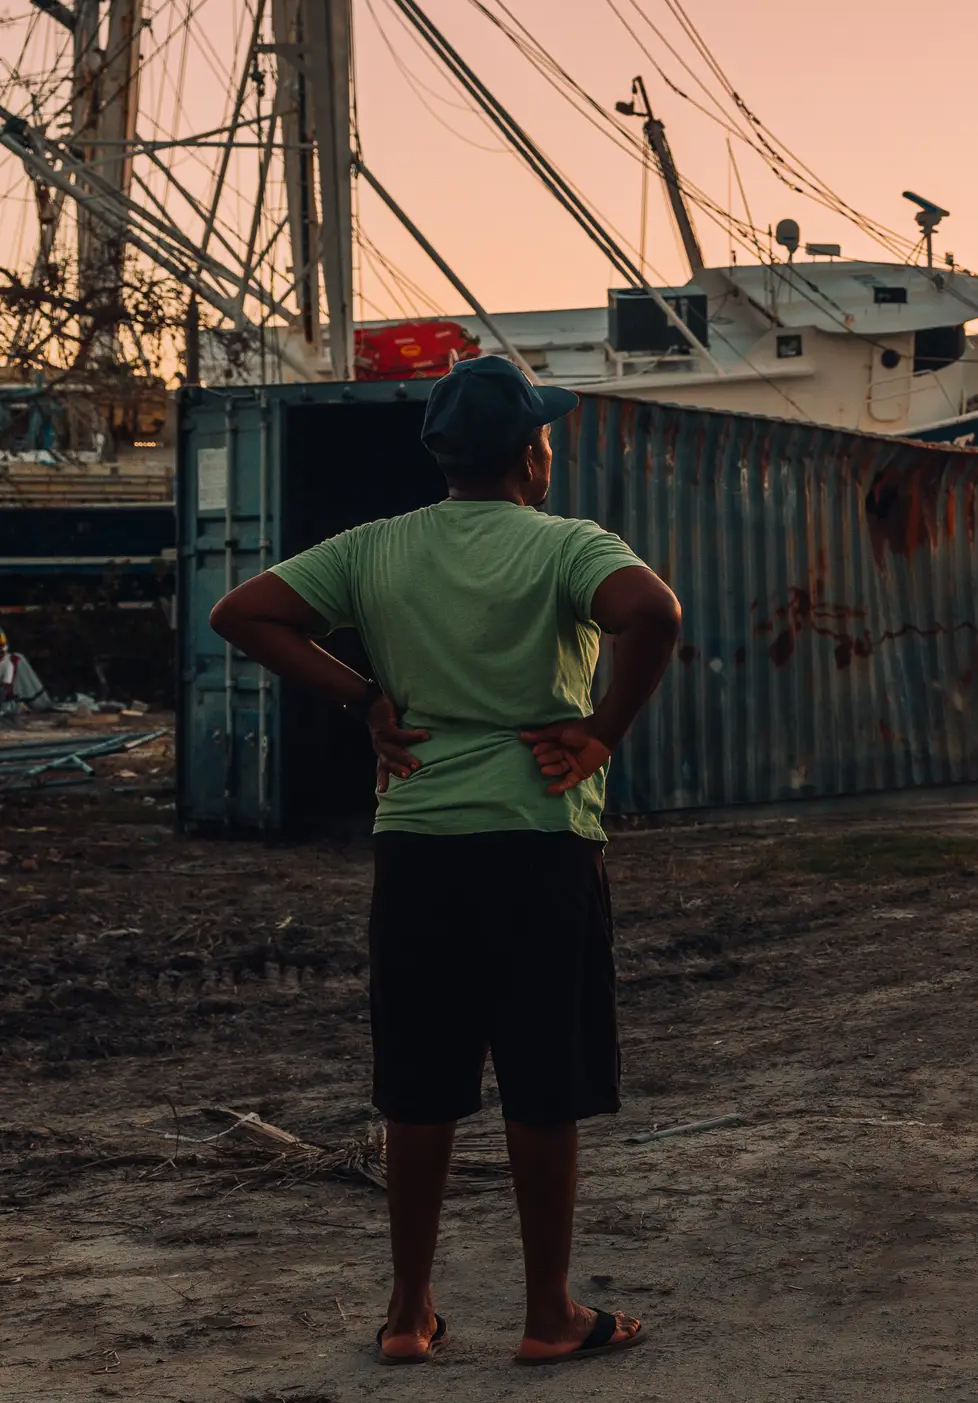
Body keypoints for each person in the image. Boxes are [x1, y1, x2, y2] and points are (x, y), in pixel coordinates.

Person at [209, 356, 682, 1367]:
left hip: (419, 846)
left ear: (442, 455)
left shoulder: (375, 550)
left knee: (419, 1086)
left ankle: (406, 1308)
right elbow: (656, 612)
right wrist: (601, 732)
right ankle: (548, 1312)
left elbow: (241, 612)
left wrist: (362, 697)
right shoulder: (568, 546)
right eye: (545, 434)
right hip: (540, 843)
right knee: (542, 1085)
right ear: (530, 452)